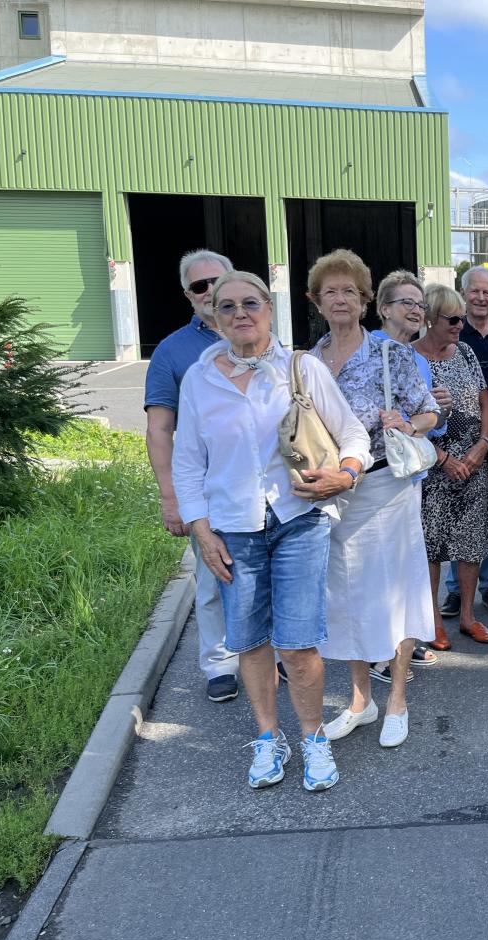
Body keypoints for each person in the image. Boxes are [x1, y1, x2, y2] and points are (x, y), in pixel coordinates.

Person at [172, 270, 372, 791]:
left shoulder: (299, 369)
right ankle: (267, 738)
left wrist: (344, 474)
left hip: (297, 520)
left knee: (299, 641)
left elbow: (353, 434)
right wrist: (200, 528)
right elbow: (188, 462)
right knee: (249, 641)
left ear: (270, 309)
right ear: (213, 317)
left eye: (251, 303)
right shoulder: (199, 380)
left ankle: (312, 738)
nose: (241, 314)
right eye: (228, 306)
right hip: (232, 529)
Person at [307, 252, 440, 749]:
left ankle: (398, 698)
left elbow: (428, 413)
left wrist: (407, 423)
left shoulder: (394, 356)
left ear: (365, 301)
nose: (340, 300)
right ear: (316, 301)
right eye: (330, 292)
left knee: (397, 591)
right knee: (345, 597)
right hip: (332, 495)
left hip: (386, 489)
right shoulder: (307, 363)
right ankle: (360, 700)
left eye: (349, 291)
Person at [144, 249, 240, 702]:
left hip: (261, 484)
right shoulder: (172, 351)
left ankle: (274, 655)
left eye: (216, 282)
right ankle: (220, 662)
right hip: (205, 488)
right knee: (214, 576)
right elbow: (160, 427)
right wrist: (170, 497)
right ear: (189, 295)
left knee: (269, 574)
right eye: (199, 286)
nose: (210, 292)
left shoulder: (257, 333)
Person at [373, 270, 455, 672]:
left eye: (419, 304)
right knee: (382, 566)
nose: (415, 310)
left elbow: (430, 422)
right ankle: (380, 651)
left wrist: (439, 409)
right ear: (383, 308)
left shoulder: (414, 357)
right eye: (405, 302)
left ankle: (401, 643)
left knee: (405, 563)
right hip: (376, 474)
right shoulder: (370, 349)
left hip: (410, 474)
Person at [416, 283, 488, 647]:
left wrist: (483, 444)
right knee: (431, 544)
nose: (460, 325)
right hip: (433, 465)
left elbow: (485, 402)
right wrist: (445, 458)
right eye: (452, 318)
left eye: (461, 318)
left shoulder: (464, 352)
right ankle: (433, 619)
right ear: (431, 318)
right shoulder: (410, 357)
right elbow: (407, 418)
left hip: (473, 460)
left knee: (471, 543)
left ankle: (467, 616)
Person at [441, 266, 488, 618]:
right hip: (458, 444)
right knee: (459, 516)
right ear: (463, 293)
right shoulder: (453, 335)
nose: (481, 298)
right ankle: (455, 590)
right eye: (475, 291)